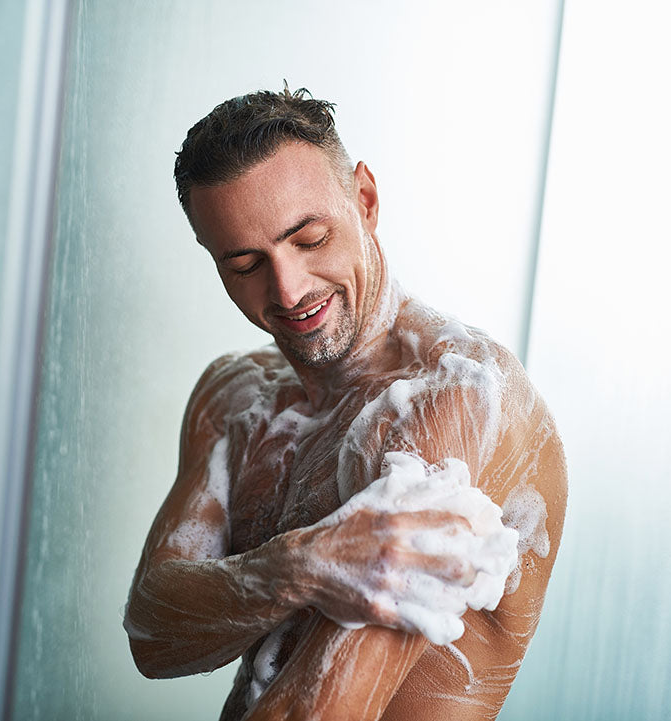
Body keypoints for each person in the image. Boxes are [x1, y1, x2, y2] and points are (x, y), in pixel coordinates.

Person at [123, 86, 567, 721]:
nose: (288, 288)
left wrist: (281, 574)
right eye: (245, 264)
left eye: (308, 239)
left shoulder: (456, 396)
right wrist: (302, 564)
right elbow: (153, 633)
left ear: (365, 199)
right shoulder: (237, 397)